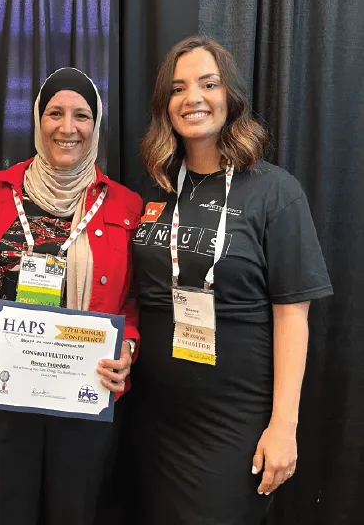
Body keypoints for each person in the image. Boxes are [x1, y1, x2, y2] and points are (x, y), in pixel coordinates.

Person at [130, 36, 333, 524]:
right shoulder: (158, 188)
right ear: (165, 106)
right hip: (154, 415)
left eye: (208, 83)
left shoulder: (274, 191)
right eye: (178, 89)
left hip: (233, 419)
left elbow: (292, 315)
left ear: (231, 97)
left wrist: (284, 425)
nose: (192, 98)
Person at [0, 67, 142, 525]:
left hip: (85, 391)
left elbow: (137, 299)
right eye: (55, 113)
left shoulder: (125, 205)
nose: (67, 127)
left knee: (73, 513)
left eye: (81, 115)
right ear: (39, 120)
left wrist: (129, 347)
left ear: (95, 126)